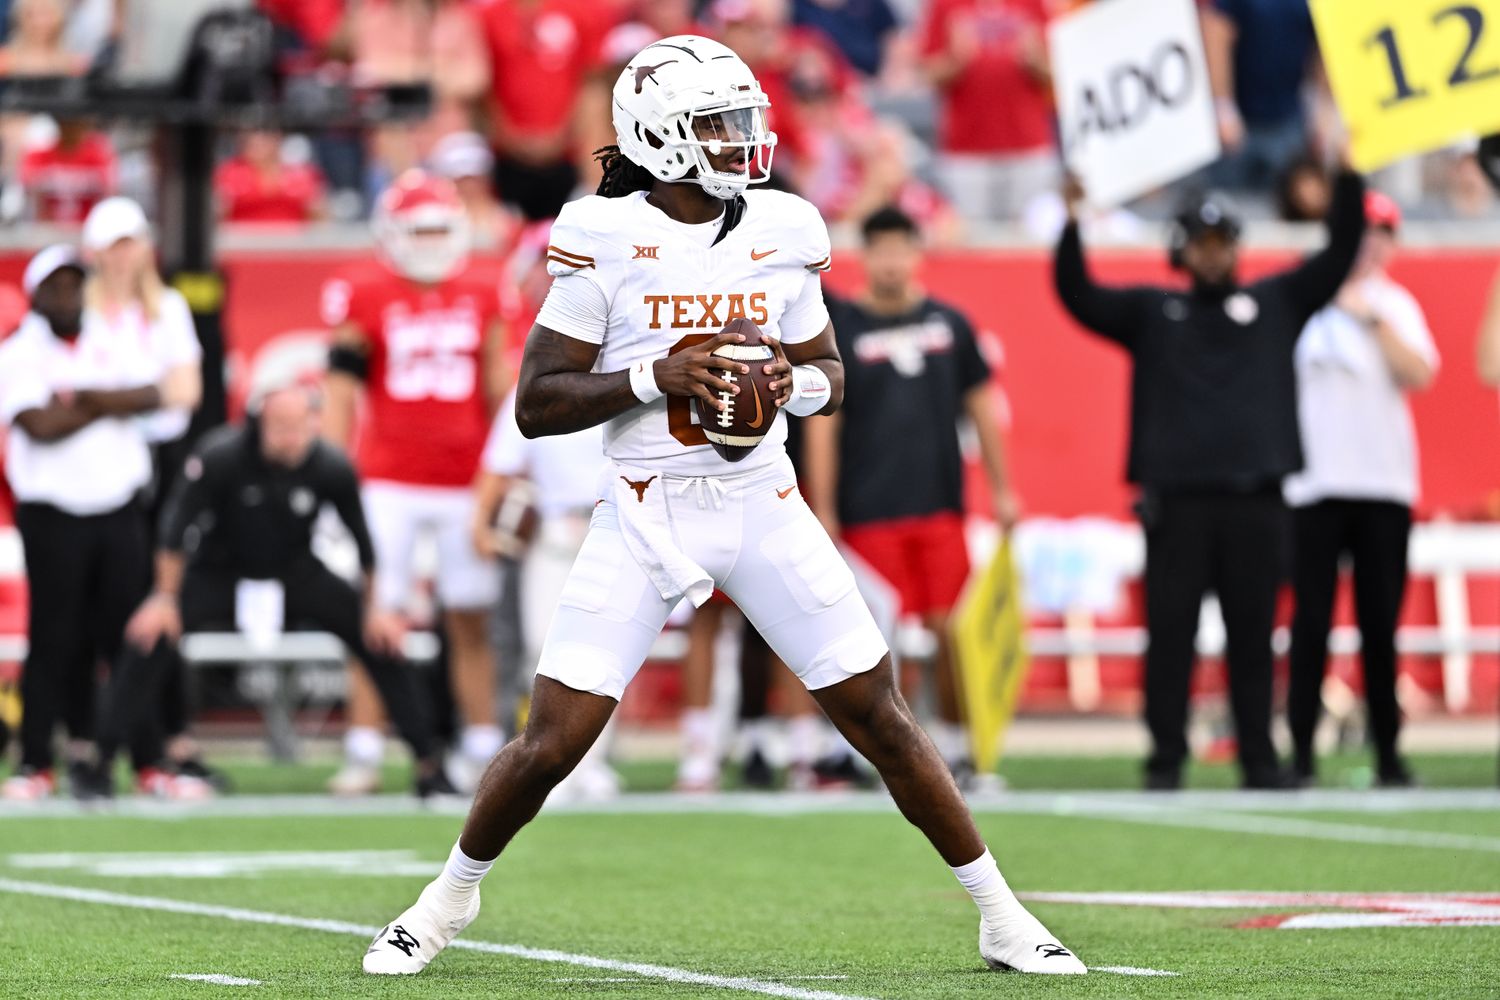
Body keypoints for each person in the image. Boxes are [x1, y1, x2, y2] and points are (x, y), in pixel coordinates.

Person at [362, 34, 1084, 978]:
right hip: (644, 505)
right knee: (554, 741)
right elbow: (540, 403)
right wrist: (660, 374)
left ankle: (1000, 913)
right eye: (718, 123)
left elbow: (831, 375)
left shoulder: (783, 227)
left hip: (761, 500)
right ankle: (446, 898)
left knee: (878, 713)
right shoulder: (603, 235)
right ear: (658, 136)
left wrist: (785, 383)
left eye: (745, 120)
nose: (743, 140)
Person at [1053, 163, 1367, 791]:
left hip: (1257, 500)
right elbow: (1079, 294)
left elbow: (1339, 256)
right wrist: (1071, 219)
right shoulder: (1153, 311)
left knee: (1253, 636)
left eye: (1221, 244)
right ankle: (1167, 758)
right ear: (1181, 251)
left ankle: (1258, 757)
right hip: (1178, 503)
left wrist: (1350, 179)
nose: (1212, 255)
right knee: (1171, 634)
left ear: (1236, 248)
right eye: (1201, 244)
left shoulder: (1275, 303)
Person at [116, 381, 458, 799]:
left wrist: (373, 609)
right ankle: (101, 757)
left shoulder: (330, 465)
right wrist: (164, 598)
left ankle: (428, 763)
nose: (290, 437)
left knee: (382, 641)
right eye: (280, 426)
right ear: (258, 423)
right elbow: (174, 528)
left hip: (297, 573)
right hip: (222, 572)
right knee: (150, 635)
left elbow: (364, 543)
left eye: (300, 425)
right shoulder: (220, 456)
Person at [804, 205, 1018, 778]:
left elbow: (981, 407)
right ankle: (880, 752)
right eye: (881, 249)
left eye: (902, 248)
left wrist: (1003, 490)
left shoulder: (951, 325)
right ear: (865, 256)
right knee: (875, 642)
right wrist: (823, 506)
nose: (892, 261)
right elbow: (826, 420)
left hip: (938, 505)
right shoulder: (841, 328)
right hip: (869, 510)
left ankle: (956, 744)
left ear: (917, 254)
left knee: (951, 631)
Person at [322, 170, 508, 795]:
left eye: (438, 228)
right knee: (377, 615)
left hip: (464, 480)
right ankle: (366, 746)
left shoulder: (484, 290)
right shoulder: (365, 292)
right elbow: (341, 395)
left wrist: (503, 475)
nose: (429, 242)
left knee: (470, 615)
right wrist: (332, 473)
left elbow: (496, 392)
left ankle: (482, 746)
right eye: (418, 229)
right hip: (389, 478)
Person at [0, 246, 197, 801]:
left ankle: (148, 760)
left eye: (73, 285)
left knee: (130, 637)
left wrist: (81, 399)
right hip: (52, 511)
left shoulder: (113, 338)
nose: (66, 297)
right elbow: (38, 424)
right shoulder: (20, 352)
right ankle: (37, 761)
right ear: (36, 294)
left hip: (117, 508)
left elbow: (156, 394)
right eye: (54, 287)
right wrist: (107, 403)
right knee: (54, 638)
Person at [1285, 191, 1436, 789]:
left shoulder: (1397, 305)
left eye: (1383, 231)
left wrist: (1368, 317)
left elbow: (1419, 372)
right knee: (1310, 625)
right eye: (1362, 228)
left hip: (1383, 486)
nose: (1371, 240)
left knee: (1380, 626)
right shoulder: (1304, 300)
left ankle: (1390, 754)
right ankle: (1298, 752)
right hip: (1315, 487)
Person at [472, 387, 619, 801]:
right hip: (553, 530)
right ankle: (545, 761)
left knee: (607, 648)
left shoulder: (627, 374)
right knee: (544, 650)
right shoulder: (535, 386)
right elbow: (500, 462)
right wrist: (480, 520)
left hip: (614, 525)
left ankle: (591, 764)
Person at [920, 0, 1056, 222]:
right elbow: (927, 74)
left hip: (1028, 147)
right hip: (966, 151)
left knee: (1030, 242)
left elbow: (1059, 71)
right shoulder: (945, 5)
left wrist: (1035, 59)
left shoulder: (1034, 4)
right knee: (970, 242)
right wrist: (956, 60)